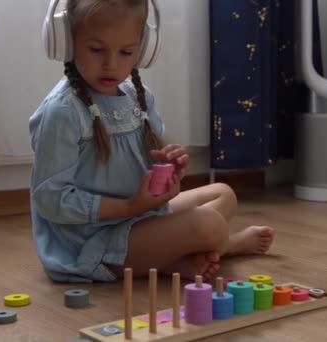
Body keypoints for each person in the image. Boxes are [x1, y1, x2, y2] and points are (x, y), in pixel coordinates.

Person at [29, 0, 274, 283]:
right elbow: (52, 200)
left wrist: (171, 170)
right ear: (67, 42)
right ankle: (225, 246)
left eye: (126, 52)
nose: (111, 64)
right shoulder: (62, 112)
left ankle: (176, 257)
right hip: (92, 239)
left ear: (144, 50)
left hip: (139, 216)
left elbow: (148, 168)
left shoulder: (139, 97)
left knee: (224, 194)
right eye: (96, 50)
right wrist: (129, 207)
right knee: (211, 225)